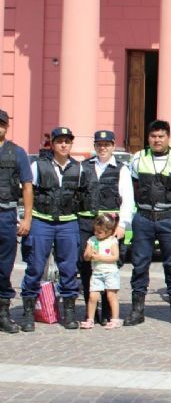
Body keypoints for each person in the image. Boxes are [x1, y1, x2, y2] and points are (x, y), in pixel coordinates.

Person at [125, 120, 171, 327]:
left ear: (168, 137)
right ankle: (137, 310)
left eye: (161, 136)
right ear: (148, 138)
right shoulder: (138, 158)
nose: (157, 140)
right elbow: (131, 187)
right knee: (139, 265)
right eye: (153, 136)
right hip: (144, 217)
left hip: (169, 217)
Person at [20, 127, 82, 331]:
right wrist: (27, 219)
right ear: (52, 144)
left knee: (69, 268)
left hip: (68, 221)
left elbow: (85, 197)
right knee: (35, 266)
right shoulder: (38, 165)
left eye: (67, 141)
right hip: (42, 221)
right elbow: (28, 191)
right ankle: (29, 310)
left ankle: (69, 311)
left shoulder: (79, 168)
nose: (64, 145)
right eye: (60, 141)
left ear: (71, 144)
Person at [77, 130, 133, 325]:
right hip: (87, 224)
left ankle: (109, 311)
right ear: (94, 146)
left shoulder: (121, 169)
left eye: (106, 144)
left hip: (111, 226)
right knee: (86, 266)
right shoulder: (84, 167)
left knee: (111, 267)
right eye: (99, 144)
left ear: (112, 145)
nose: (103, 148)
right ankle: (90, 311)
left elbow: (127, 199)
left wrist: (123, 225)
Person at [0, 108, 33, 334]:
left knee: (4, 267)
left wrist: (27, 218)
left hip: (6, 215)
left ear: (7, 126)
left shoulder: (17, 152)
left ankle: (3, 312)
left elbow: (27, 186)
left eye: (1, 124)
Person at [79, 213, 122, 330]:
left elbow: (115, 257)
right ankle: (90, 319)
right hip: (97, 273)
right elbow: (86, 256)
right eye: (95, 231)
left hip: (110, 273)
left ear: (108, 232)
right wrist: (89, 255)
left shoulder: (112, 241)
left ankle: (115, 319)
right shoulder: (92, 240)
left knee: (111, 296)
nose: (96, 234)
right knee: (92, 297)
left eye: (100, 232)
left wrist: (100, 258)